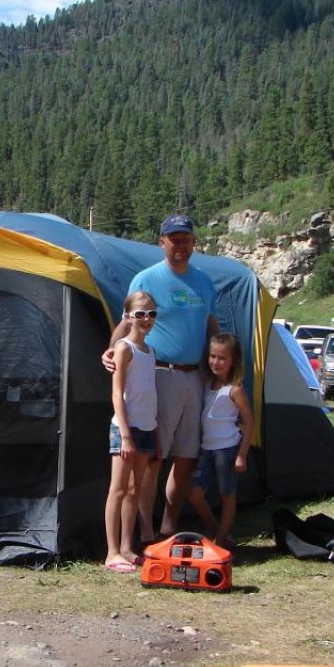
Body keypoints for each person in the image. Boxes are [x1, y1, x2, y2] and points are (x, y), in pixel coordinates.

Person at [103, 214, 218, 542]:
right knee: (154, 457)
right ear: (162, 242)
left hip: (195, 376)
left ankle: (169, 524)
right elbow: (127, 322)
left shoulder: (204, 282)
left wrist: (219, 365)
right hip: (160, 374)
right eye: (174, 239)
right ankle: (143, 529)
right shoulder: (147, 278)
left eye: (186, 239)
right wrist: (111, 351)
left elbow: (211, 326)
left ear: (195, 242)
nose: (181, 245)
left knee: (186, 454)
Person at [104, 291, 158, 573]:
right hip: (126, 429)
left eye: (151, 314)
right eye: (140, 314)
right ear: (128, 317)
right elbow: (117, 394)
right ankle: (112, 551)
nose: (146, 319)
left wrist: (155, 428)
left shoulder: (150, 351)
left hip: (147, 427)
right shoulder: (124, 348)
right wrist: (125, 434)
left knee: (136, 489)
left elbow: (148, 392)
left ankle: (127, 546)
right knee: (119, 488)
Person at [186, 332, 254, 547]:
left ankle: (221, 542)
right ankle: (217, 531)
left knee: (227, 495)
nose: (216, 362)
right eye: (212, 357)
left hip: (227, 450)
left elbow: (249, 422)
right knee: (195, 495)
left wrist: (242, 455)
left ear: (233, 361)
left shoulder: (235, 390)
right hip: (207, 449)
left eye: (222, 358)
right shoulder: (207, 384)